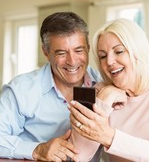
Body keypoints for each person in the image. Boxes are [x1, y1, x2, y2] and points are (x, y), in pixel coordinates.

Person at [0, 11, 103, 162]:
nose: (72, 61)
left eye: (79, 50)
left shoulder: (104, 86)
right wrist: (37, 150)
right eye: (61, 53)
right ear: (46, 52)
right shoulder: (20, 91)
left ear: (88, 48)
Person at [69, 18, 149, 162]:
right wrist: (103, 99)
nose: (109, 62)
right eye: (102, 56)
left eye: (118, 51)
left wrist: (108, 137)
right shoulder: (93, 91)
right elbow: (77, 155)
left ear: (138, 52)